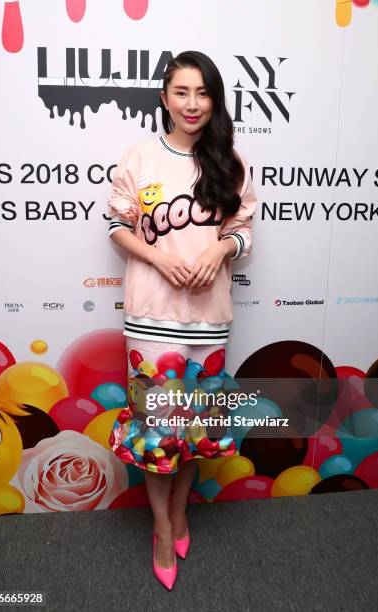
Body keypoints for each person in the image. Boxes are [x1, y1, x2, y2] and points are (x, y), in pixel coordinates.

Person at [107, 50, 257, 590]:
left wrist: (218, 252)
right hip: (151, 322)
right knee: (157, 437)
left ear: (214, 100)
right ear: (164, 98)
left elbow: (242, 230)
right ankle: (162, 531)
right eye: (181, 92)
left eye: (203, 93)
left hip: (208, 323)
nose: (192, 104)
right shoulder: (141, 157)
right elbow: (117, 226)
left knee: (194, 435)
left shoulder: (229, 161)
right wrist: (158, 255)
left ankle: (180, 512)